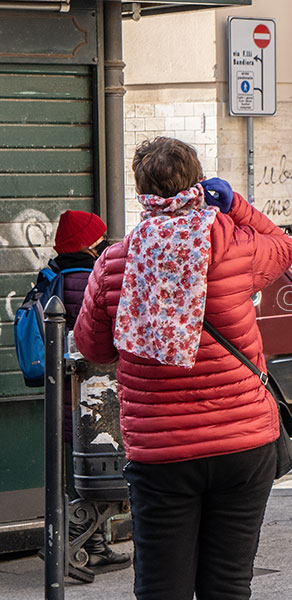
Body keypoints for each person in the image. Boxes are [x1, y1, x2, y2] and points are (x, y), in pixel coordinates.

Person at [74, 137, 292, 599]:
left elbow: (92, 347)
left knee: (161, 588)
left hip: (161, 452)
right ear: (197, 184)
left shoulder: (116, 261)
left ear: (141, 191)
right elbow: (282, 246)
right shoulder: (234, 248)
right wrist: (236, 205)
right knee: (228, 585)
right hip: (242, 444)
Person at [46, 210, 132, 575]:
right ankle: (69, 539)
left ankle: (94, 548)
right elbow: (97, 335)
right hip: (91, 394)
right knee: (103, 471)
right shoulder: (85, 279)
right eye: (99, 239)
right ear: (89, 243)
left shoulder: (53, 274)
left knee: (82, 473)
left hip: (66, 392)